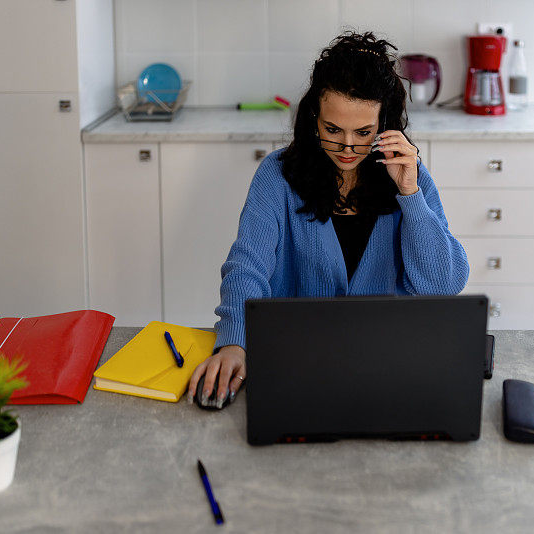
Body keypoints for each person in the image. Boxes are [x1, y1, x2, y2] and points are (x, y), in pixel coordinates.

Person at [188, 31, 469, 408]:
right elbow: (247, 265)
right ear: (312, 120)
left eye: (364, 132)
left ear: (385, 125)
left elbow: (443, 285)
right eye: (332, 130)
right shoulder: (277, 176)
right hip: (297, 366)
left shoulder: (409, 177)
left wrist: (411, 196)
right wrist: (235, 343)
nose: (348, 148)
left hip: (387, 368)